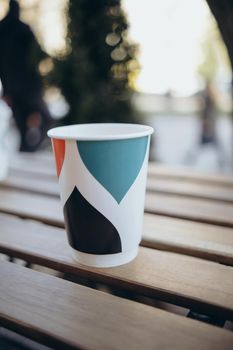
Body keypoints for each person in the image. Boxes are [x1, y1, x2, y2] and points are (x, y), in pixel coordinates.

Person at [0, 0, 52, 152]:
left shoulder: (1, 31)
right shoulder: (24, 30)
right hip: (30, 84)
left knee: (22, 121)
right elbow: (37, 55)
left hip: (12, 86)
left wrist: (6, 91)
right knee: (43, 115)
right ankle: (32, 143)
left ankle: (27, 146)